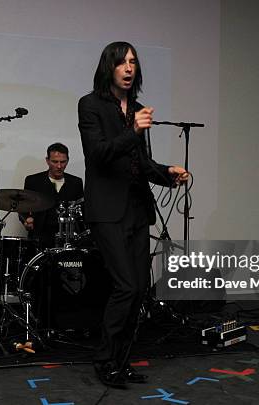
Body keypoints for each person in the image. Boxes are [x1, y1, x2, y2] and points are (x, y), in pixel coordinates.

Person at [78, 41, 189, 387]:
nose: (129, 68)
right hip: (107, 211)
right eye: (122, 62)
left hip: (137, 211)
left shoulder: (137, 108)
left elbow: (139, 163)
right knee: (126, 285)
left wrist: (167, 174)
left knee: (140, 288)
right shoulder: (90, 105)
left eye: (133, 62)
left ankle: (121, 361)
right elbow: (99, 155)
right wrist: (134, 130)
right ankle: (104, 359)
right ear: (108, 67)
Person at [21, 143, 84, 249]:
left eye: (63, 162)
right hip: (40, 239)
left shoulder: (76, 182)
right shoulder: (33, 181)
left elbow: (82, 210)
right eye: (55, 162)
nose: (59, 166)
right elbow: (23, 207)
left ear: (67, 161)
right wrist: (26, 219)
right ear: (47, 160)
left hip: (68, 240)